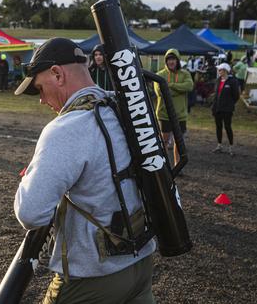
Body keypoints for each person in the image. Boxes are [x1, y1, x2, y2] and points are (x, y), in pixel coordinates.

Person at [13, 38, 156, 304]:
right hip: (141, 265)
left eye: (40, 89)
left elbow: (31, 213)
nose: (42, 100)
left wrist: (29, 180)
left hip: (93, 277)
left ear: (57, 73)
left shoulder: (66, 129)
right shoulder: (125, 108)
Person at [153, 48, 193, 165]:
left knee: (178, 142)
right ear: (166, 61)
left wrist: (170, 85)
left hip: (180, 115)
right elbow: (160, 91)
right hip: (164, 114)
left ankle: (177, 165)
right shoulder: (160, 75)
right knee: (164, 141)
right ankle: (164, 166)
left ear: (178, 60)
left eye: (173, 59)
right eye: (169, 59)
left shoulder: (185, 74)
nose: (171, 62)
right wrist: (179, 89)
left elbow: (189, 86)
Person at [211, 63, 240, 156]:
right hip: (217, 108)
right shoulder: (218, 80)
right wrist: (213, 107)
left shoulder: (232, 81)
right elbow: (216, 95)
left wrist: (230, 104)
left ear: (225, 71)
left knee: (227, 127)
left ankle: (231, 147)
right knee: (218, 127)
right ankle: (219, 145)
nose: (219, 71)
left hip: (227, 109)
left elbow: (236, 95)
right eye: (218, 70)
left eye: (220, 70)